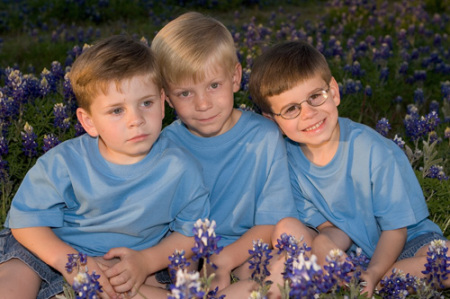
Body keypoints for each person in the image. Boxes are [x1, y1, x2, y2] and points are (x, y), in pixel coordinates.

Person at [0, 35, 210, 299]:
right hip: (55, 252)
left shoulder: (180, 168)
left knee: (170, 286)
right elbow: (26, 223)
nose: (136, 120)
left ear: (162, 100)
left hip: (134, 261)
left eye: (146, 103)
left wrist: (146, 261)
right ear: (88, 121)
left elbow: (192, 233)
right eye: (116, 111)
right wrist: (73, 262)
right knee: (15, 275)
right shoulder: (65, 162)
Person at [248, 39, 449, 297]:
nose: (308, 113)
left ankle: (385, 279)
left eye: (315, 97)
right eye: (291, 109)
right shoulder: (288, 164)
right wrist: (325, 244)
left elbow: (396, 229)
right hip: (350, 254)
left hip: (408, 243)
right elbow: (331, 228)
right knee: (287, 226)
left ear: (333, 91)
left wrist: (375, 272)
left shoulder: (377, 151)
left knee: (446, 261)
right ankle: (359, 277)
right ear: (272, 120)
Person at [151, 12, 312, 296]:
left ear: (235, 77)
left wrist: (223, 262)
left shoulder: (264, 136)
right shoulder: (165, 145)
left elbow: (272, 220)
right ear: (166, 97)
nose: (203, 104)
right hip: (187, 252)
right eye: (185, 93)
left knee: (290, 255)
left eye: (214, 86)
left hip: (251, 248)